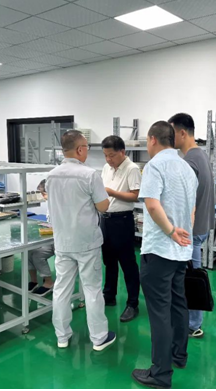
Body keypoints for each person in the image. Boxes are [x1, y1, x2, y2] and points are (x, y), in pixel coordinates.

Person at [132, 121, 198, 389]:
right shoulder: (187, 168)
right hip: (182, 250)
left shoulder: (155, 166)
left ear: (152, 139)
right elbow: (191, 211)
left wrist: (171, 231)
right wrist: (182, 235)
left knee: (159, 312)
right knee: (178, 304)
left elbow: (151, 204)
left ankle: (160, 373)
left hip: (160, 249)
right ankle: (179, 356)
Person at [46, 130, 116, 351]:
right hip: (86, 242)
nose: (87, 150)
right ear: (79, 150)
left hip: (62, 241)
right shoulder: (89, 175)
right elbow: (103, 206)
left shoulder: (51, 175)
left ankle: (62, 336)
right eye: (86, 147)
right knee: (92, 289)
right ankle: (99, 338)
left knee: (61, 289)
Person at [170, 113, 215, 339]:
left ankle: (192, 324)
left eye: (171, 133)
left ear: (182, 133)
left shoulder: (189, 162)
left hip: (192, 230)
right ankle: (191, 321)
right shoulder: (201, 155)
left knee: (191, 278)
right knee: (192, 275)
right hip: (202, 226)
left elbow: (183, 202)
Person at [100, 135, 142, 322]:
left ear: (122, 152)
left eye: (111, 155)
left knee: (127, 263)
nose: (108, 159)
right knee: (108, 261)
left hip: (122, 220)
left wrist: (112, 192)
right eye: (105, 155)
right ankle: (109, 295)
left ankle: (133, 303)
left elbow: (135, 196)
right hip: (105, 220)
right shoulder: (106, 168)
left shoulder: (132, 169)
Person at [28, 179, 55, 296]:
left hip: (60, 241)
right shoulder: (51, 204)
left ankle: (49, 283)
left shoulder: (61, 205)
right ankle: (34, 281)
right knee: (30, 251)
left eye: (44, 193)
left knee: (38, 255)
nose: (43, 197)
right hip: (51, 237)